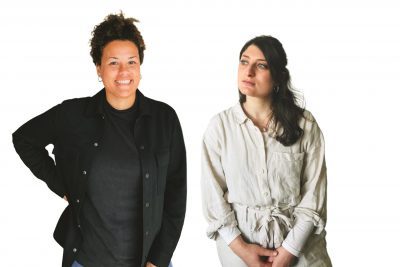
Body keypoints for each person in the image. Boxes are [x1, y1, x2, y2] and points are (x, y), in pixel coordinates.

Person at [12, 12, 186, 267]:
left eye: (132, 62)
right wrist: (62, 186)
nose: (124, 72)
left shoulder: (164, 119)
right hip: (87, 259)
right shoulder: (73, 115)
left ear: (140, 66)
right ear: (99, 68)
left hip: (147, 262)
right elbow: (24, 139)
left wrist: (158, 261)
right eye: (114, 62)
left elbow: (176, 197)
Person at [201, 35, 332, 267]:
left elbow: (314, 194)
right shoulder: (219, 128)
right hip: (242, 249)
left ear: (279, 77)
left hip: (303, 248)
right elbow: (213, 198)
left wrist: (289, 251)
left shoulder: (305, 125)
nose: (248, 72)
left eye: (261, 65)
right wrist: (242, 249)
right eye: (243, 62)